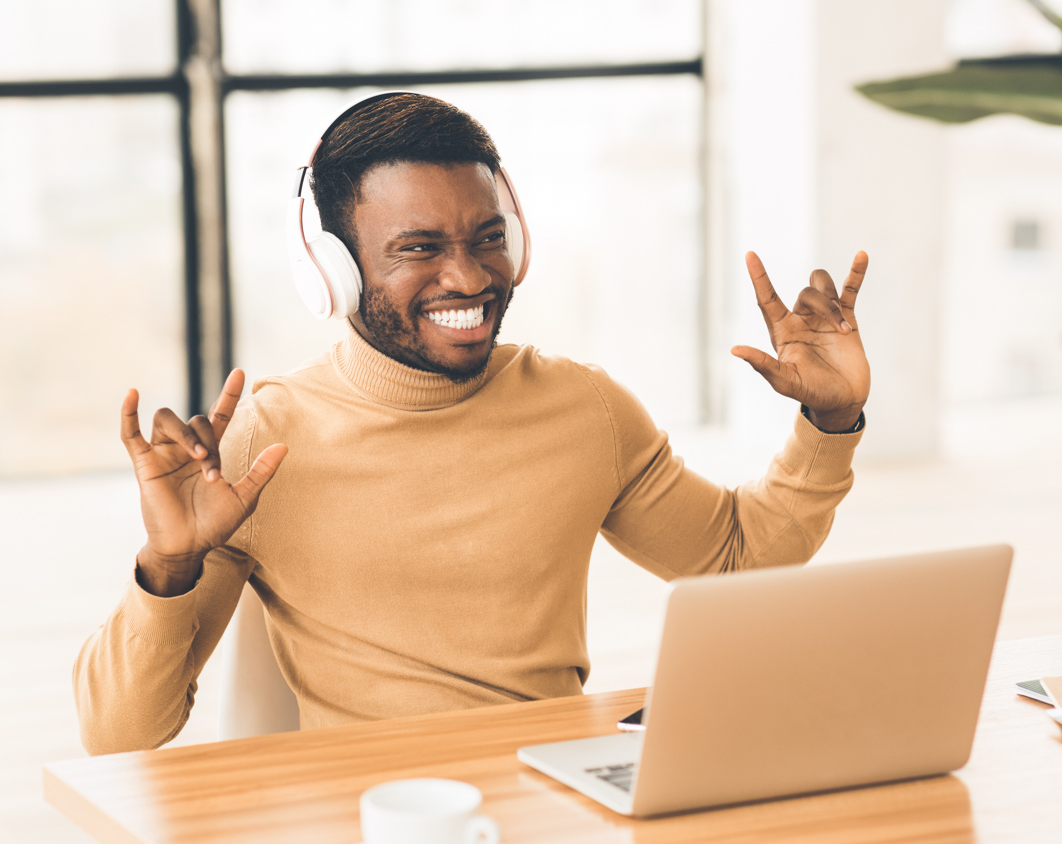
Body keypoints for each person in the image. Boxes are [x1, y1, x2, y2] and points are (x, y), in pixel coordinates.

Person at [74, 93, 871, 755]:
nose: (469, 276)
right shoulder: (260, 445)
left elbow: (734, 558)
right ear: (334, 272)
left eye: (489, 238)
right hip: (382, 817)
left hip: (555, 794)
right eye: (418, 249)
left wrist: (828, 419)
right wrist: (168, 565)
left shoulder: (585, 408)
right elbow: (118, 737)